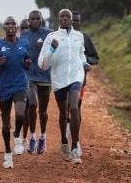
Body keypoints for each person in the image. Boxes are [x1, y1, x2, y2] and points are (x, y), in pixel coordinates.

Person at [39, 9, 87, 164]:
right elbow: (43, 65)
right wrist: (51, 49)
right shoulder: (51, 37)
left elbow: (81, 55)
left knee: (74, 108)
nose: (65, 18)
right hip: (59, 80)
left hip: (75, 77)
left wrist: (85, 63)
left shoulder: (78, 36)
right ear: (58, 19)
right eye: (62, 16)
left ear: (72, 20)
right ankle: (64, 141)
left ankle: (75, 146)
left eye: (68, 16)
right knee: (64, 113)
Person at [0, 16, 32, 169]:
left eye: (13, 23)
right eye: (8, 23)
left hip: (20, 84)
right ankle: (7, 154)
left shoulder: (24, 43)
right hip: (4, 86)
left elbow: (27, 61)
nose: (11, 25)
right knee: (5, 124)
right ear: (4, 27)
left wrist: (27, 64)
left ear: (17, 27)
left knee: (20, 114)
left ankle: (17, 136)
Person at [20, 10, 52, 155]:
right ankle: (32, 137)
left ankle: (43, 137)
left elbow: (55, 52)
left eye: (37, 19)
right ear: (28, 20)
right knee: (32, 105)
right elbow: (21, 53)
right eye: (32, 19)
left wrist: (44, 48)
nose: (34, 21)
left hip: (45, 75)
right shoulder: (24, 35)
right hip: (29, 76)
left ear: (41, 19)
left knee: (43, 111)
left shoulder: (48, 34)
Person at [68, 10, 99, 157]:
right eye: (72, 20)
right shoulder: (59, 37)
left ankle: (76, 142)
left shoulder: (85, 38)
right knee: (65, 110)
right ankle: (65, 137)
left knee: (76, 107)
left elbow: (95, 58)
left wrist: (86, 61)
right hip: (62, 79)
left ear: (80, 22)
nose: (74, 23)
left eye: (76, 20)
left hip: (80, 79)